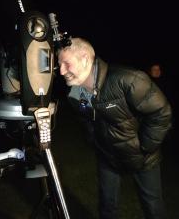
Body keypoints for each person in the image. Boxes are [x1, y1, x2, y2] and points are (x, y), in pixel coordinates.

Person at [57, 38, 172, 219]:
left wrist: (144, 147)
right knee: (107, 207)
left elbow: (161, 112)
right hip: (108, 157)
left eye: (66, 63)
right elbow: (86, 122)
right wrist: (96, 143)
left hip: (143, 158)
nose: (61, 71)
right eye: (59, 64)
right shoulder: (75, 94)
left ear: (85, 58)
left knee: (153, 206)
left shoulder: (128, 79)